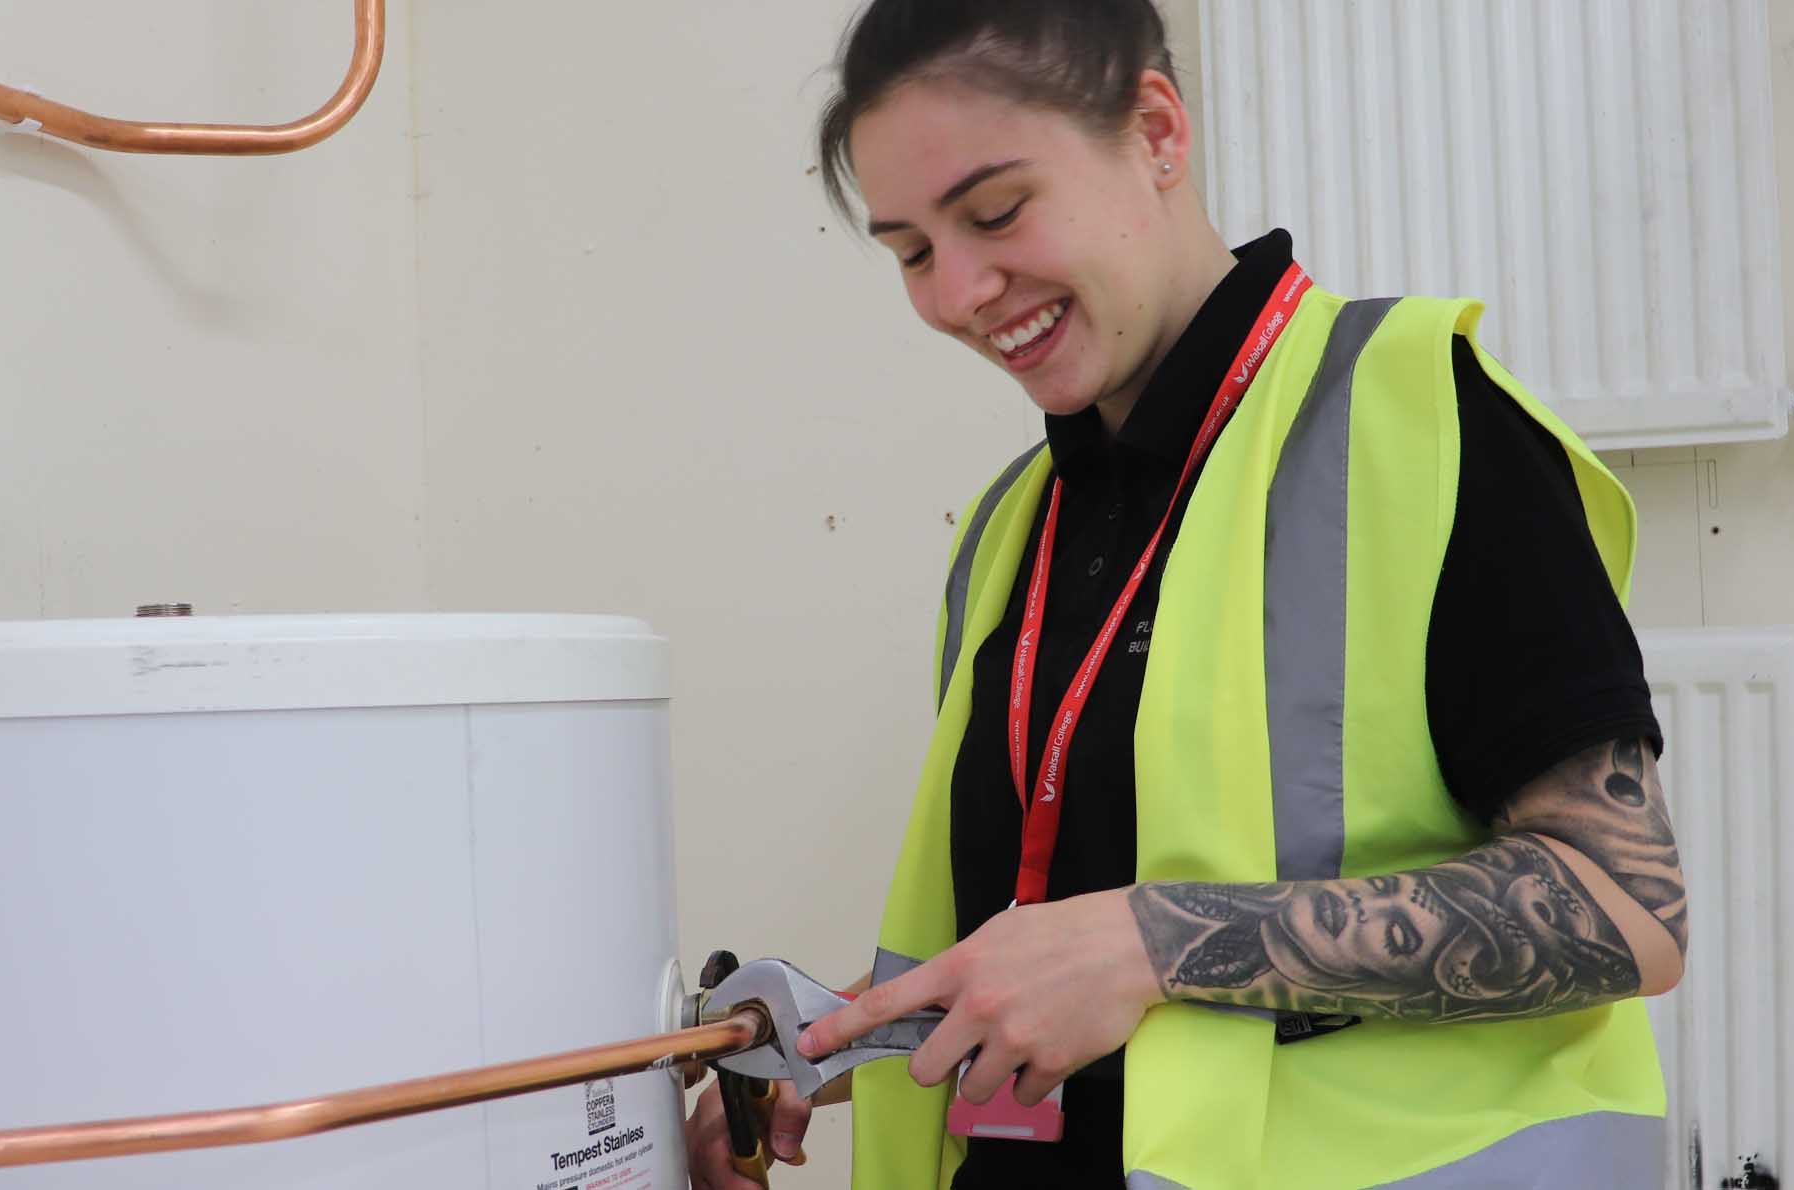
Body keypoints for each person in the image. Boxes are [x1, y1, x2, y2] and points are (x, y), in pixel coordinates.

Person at [686, 2, 1688, 1186]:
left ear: (1157, 131)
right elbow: (1060, 935)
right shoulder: (1017, 526)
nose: (959, 290)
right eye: (910, 250)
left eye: (997, 212)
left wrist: (1152, 940)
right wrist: (849, 1029)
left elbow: (1624, 904)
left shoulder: (1423, 416)